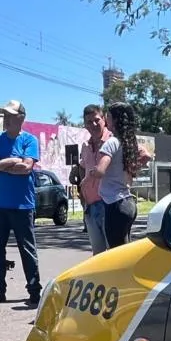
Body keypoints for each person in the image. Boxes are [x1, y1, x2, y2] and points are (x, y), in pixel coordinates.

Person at [0, 99, 41, 306]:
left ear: (21, 118)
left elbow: (26, 168)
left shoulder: (30, 140)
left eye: (10, 116)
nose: (6, 119)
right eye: (5, 116)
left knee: (27, 249)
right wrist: (11, 161)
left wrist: (1, 165)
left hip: (22, 206)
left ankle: (34, 290)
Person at [87, 101, 142, 249]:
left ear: (115, 120)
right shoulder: (129, 142)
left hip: (115, 205)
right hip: (128, 202)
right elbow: (145, 157)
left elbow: (100, 171)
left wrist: (91, 173)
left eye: (108, 117)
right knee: (125, 250)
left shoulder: (111, 142)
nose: (106, 120)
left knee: (116, 252)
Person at [72, 104, 111, 254]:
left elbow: (142, 154)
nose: (93, 124)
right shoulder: (86, 146)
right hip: (91, 206)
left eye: (97, 120)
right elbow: (83, 165)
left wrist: (128, 178)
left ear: (104, 119)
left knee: (116, 255)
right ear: (85, 125)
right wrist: (77, 173)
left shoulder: (113, 140)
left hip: (109, 205)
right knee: (98, 257)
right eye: (89, 122)